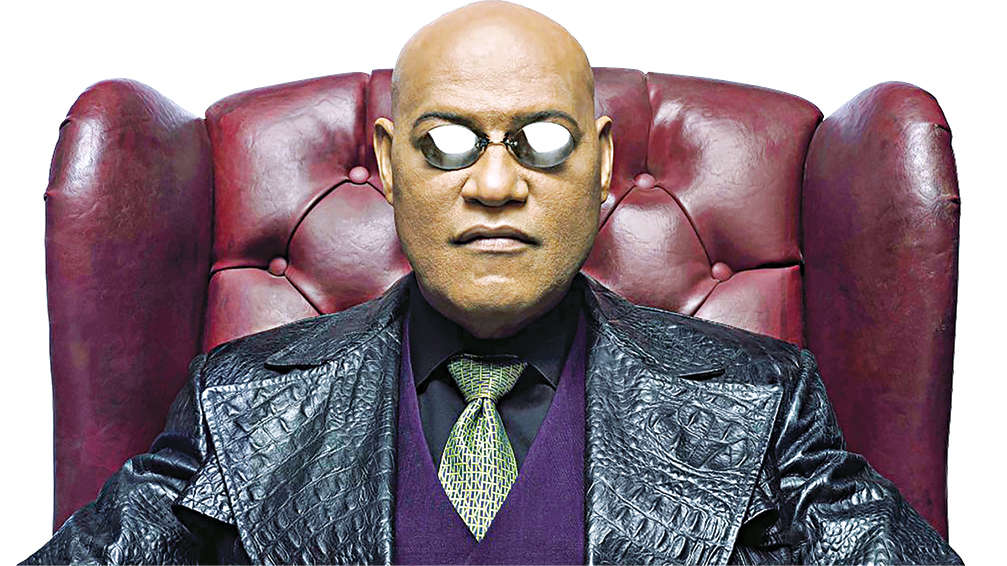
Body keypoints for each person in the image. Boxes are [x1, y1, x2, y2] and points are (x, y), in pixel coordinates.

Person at [24, 1, 961, 564]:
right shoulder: (237, 402)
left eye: (541, 141)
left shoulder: (761, 399)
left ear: (601, 166)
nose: (496, 185)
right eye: (446, 142)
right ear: (389, 165)